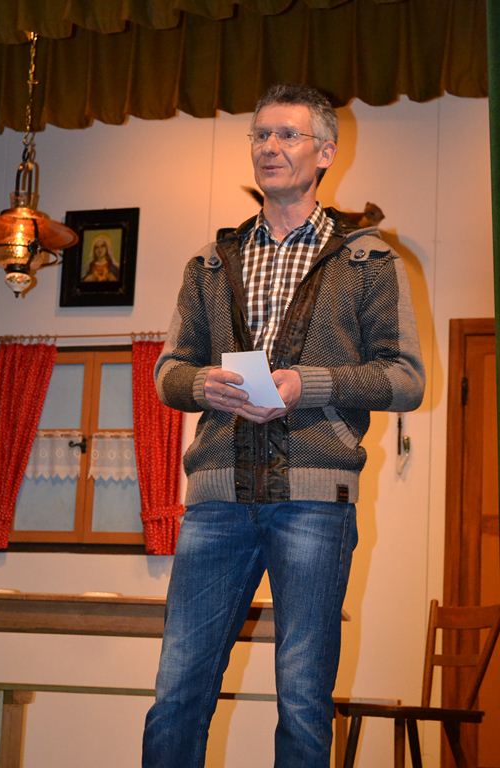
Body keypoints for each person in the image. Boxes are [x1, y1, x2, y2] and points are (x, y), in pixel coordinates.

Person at [142, 83, 425, 768]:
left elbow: (407, 379)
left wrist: (307, 384)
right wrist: (203, 384)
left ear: (325, 152)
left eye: (288, 135)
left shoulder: (370, 261)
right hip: (216, 501)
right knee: (177, 693)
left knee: (302, 701)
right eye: (261, 135)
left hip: (316, 503)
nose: (270, 147)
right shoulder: (210, 261)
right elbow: (168, 371)